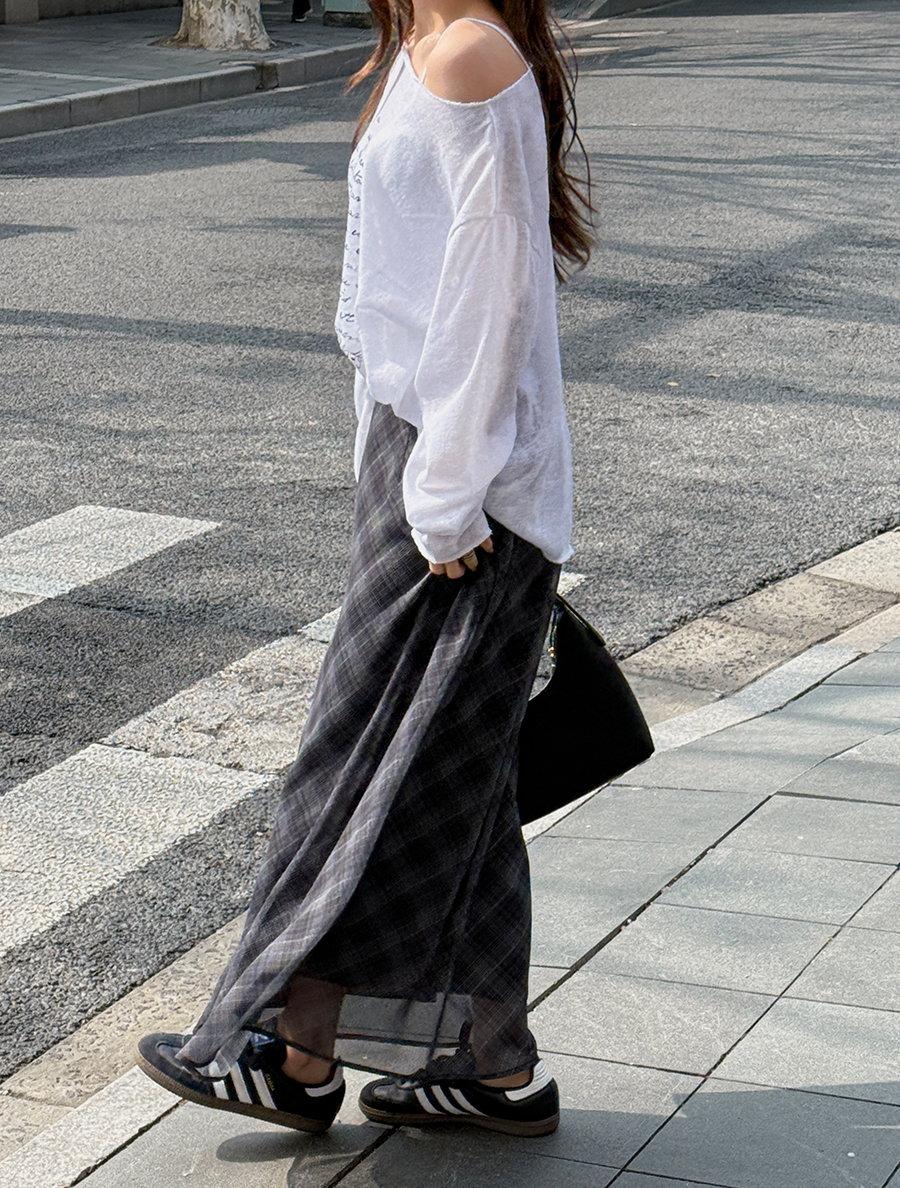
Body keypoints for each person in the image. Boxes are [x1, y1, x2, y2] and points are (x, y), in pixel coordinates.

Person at [137, 0, 593, 1140]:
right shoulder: (419, 47)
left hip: (464, 484)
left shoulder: (471, 54)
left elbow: (491, 302)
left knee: (352, 767)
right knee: (450, 782)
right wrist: (392, 461)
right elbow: (394, 291)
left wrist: (441, 499)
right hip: (424, 453)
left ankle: (293, 1052)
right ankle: (493, 1071)